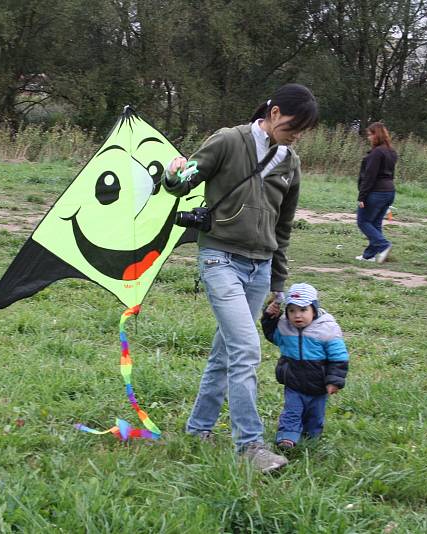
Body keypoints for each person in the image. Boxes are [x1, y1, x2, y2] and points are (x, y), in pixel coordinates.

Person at [162, 83, 318, 473]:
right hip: (219, 259)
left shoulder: (290, 163)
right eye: (294, 125)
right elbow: (184, 181)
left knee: (225, 352)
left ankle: (198, 429)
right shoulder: (229, 141)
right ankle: (249, 445)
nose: (297, 134)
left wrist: (278, 285)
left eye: (304, 129)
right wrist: (172, 174)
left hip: (260, 269)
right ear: (276, 112)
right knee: (246, 350)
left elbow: (283, 228)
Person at [261, 283, 349, 448]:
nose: (297, 315)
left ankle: (311, 439)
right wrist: (268, 318)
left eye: (303, 310)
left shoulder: (327, 329)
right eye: (292, 310)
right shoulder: (285, 327)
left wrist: (334, 380)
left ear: (314, 310)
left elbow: (339, 357)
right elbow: (271, 335)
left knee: (315, 416)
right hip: (293, 382)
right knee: (291, 412)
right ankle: (287, 437)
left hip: (318, 384)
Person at [355, 122, 397, 263]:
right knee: (375, 223)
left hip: (376, 192)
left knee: (363, 221)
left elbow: (370, 176)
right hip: (389, 191)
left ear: (376, 135)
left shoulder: (377, 153)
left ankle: (384, 245)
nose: (369, 138)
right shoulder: (391, 152)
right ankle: (369, 255)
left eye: (370, 135)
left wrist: (362, 196)